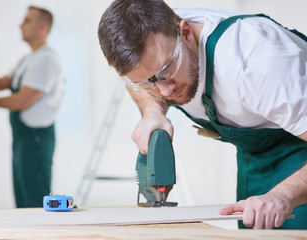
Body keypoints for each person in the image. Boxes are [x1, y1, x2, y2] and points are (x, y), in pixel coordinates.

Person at [97, 0, 307, 229]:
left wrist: (284, 195)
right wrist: (151, 112)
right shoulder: (154, 42)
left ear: (186, 33)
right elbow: (141, 75)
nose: (165, 91)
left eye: (167, 71)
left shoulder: (255, 65)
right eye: (147, 84)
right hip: (255, 155)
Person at [0, 6, 64, 208]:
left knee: (35, 203)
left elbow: (20, 101)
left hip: (36, 141)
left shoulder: (46, 60)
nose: (20, 25)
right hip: (23, 139)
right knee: (23, 202)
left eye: (27, 21)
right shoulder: (28, 59)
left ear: (42, 27)